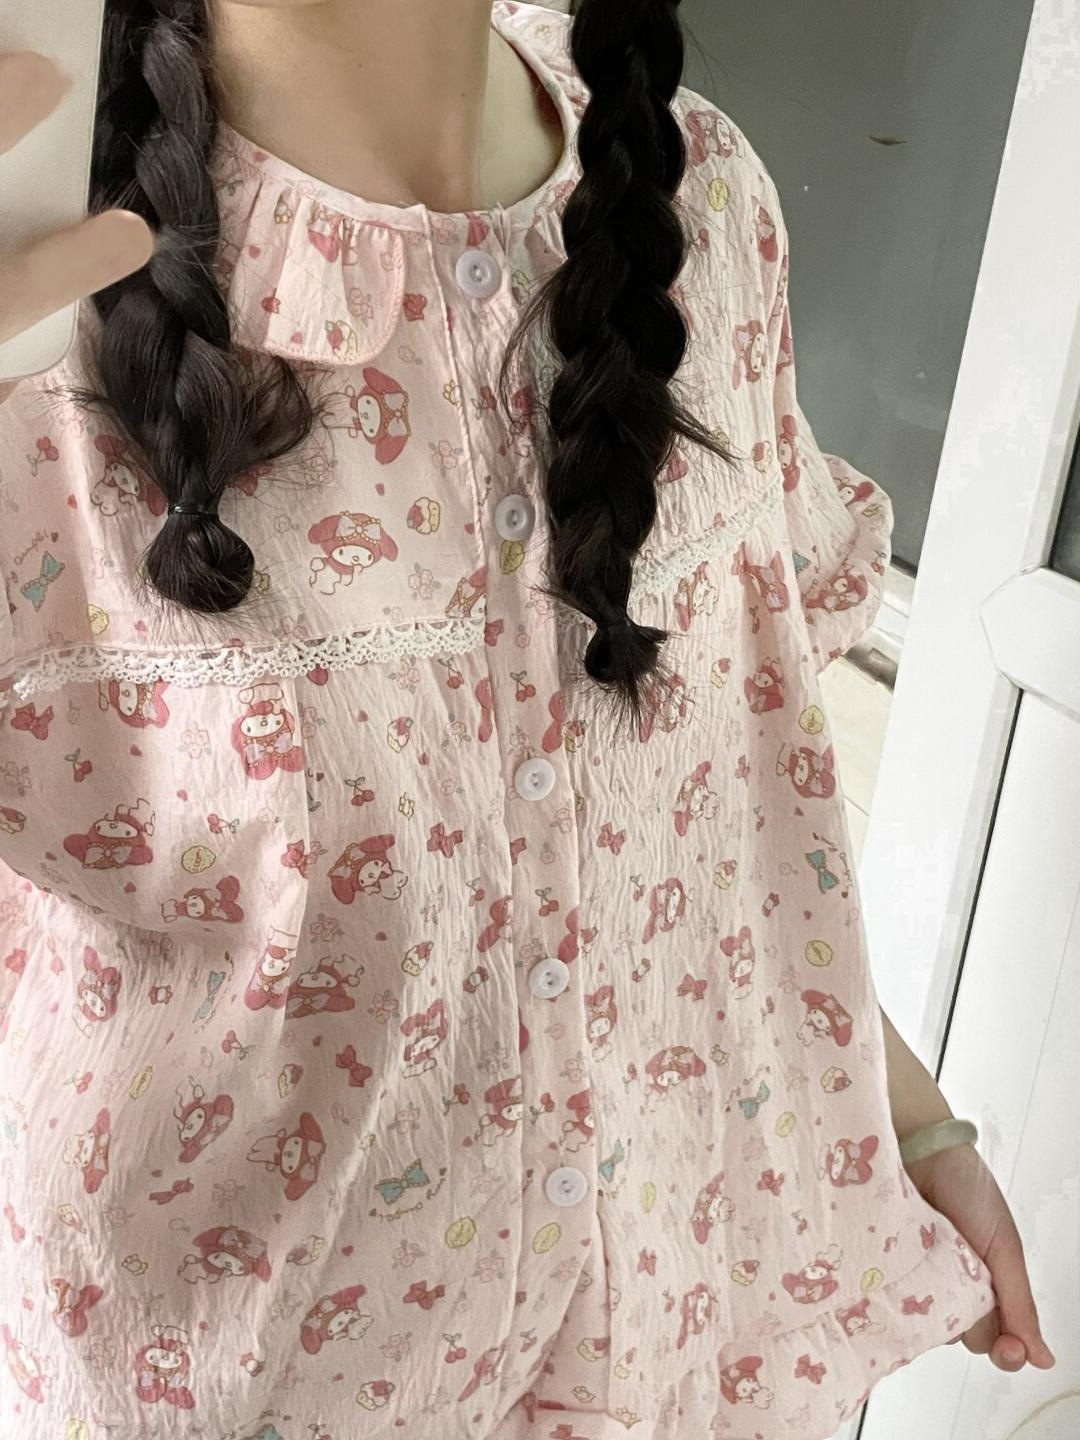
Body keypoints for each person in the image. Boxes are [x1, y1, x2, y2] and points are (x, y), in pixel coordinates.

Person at [0, 2, 1055, 1437]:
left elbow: (722, 802)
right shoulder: (43, 302)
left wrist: (904, 1110)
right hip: (229, 1378)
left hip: (673, 1334)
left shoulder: (698, 201)